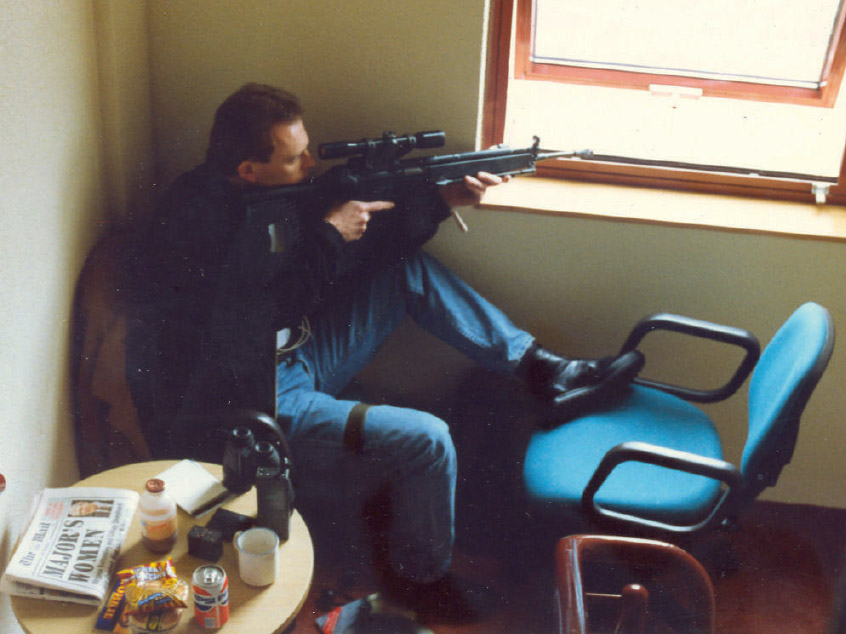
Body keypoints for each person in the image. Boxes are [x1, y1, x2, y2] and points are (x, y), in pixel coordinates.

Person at [125, 83, 643, 623]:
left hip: (298, 353)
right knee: (429, 440)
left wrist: (438, 200)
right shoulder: (196, 223)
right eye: (295, 155)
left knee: (404, 272)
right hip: (262, 393)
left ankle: (543, 370)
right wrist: (328, 235)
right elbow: (251, 316)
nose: (310, 161)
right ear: (249, 169)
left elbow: (342, 262)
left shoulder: (266, 195)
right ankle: (425, 582)